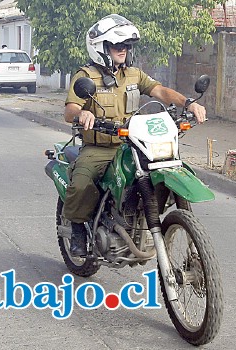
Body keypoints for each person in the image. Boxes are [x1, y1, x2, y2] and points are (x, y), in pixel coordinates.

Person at [63, 14, 207, 257]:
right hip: (100, 147)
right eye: (118, 45)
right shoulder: (85, 77)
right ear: (101, 48)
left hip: (133, 143)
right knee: (81, 183)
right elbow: (70, 110)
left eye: (126, 46)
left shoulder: (133, 74)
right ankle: (77, 228)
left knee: (164, 168)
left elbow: (159, 90)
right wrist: (82, 115)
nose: (123, 50)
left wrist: (188, 103)